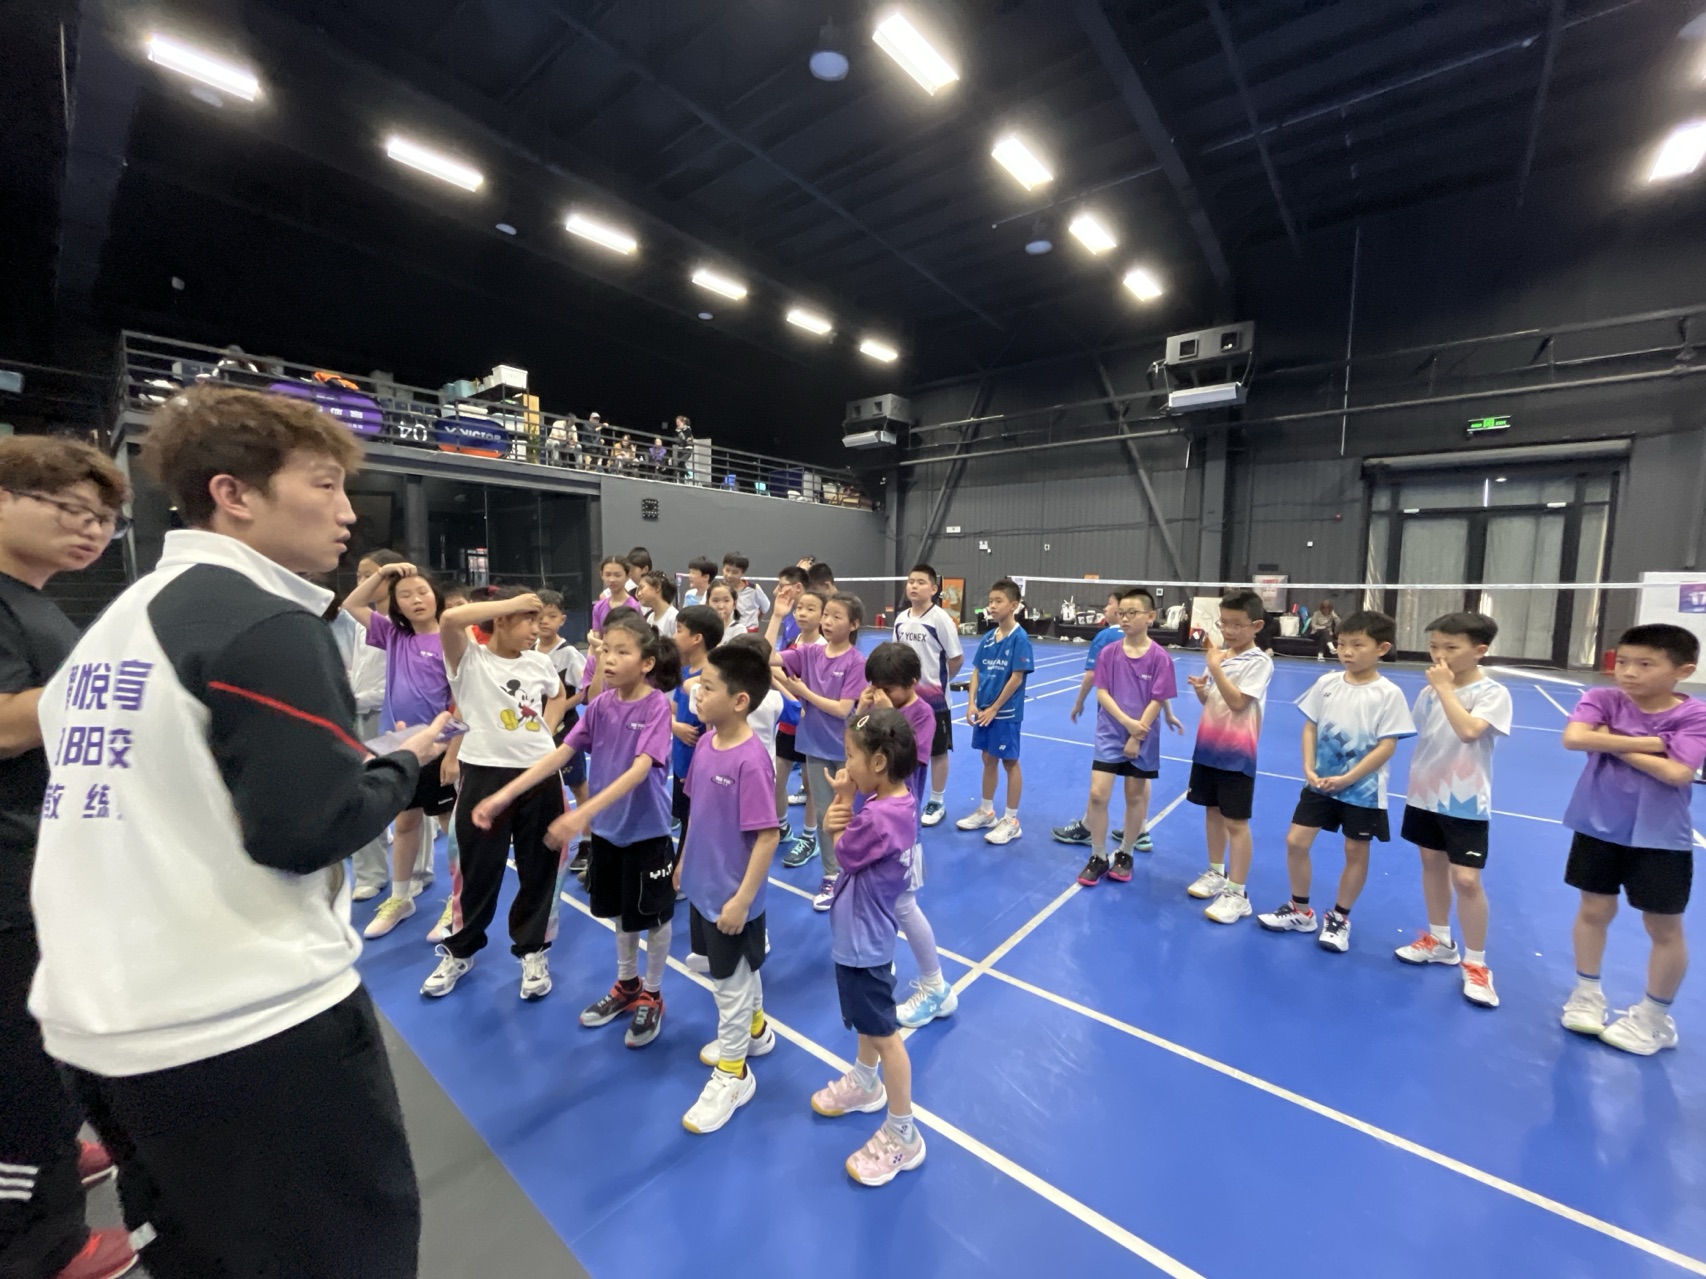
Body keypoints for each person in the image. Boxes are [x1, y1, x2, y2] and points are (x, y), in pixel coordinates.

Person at [30, 385, 447, 1277]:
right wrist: (405, 763)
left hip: (105, 1023)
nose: (348, 512)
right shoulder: (263, 623)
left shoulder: (117, 623)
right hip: (244, 1025)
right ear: (234, 494)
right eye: (326, 484)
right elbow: (307, 829)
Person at [0, 438, 134, 1279]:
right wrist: (114, 684)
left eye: (103, 518)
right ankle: (38, 1243)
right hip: (6, 871)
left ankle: (50, 1151)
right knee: (15, 1059)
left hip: (41, 858)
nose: (90, 528)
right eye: (69, 508)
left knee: (43, 1040)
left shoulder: (34, 602)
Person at [477, 611, 681, 1046]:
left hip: (646, 833)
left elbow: (639, 770)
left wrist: (581, 812)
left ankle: (653, 992)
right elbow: (560, 753)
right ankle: (627, 984)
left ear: (646, 662)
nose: (609, 659)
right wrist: (504, 795)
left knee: (653, 917)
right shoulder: (601, 705)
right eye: (606, 650)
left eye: (622, 652)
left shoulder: (656, 706)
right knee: (621, 913)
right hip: (608, 832)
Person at [1558, 623, 1706, 1054]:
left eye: (1645, 664)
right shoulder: (1602, 698)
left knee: (1663, 926)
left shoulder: (1694, 715)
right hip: (1597, 824)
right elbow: (1574, 738)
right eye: (1623, 662)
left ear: (1683, 670)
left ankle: (1655, 1018)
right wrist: (1658, 744)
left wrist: (1610, 740)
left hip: (1661, 836)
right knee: (1594, 910)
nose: (1629, 672)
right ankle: (1587, 993)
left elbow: (1678, 773)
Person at [420, 589, 569, 1001]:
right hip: (483, 774)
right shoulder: (470, 659)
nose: (536, 629)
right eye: (528, 619)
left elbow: (557, 695)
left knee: (540, 866)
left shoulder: (539, 662)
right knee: (475, 868)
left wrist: (546, 730)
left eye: (538, 620)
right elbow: (450, 619)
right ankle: (460, 950)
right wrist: (512, 603)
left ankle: (533, 951)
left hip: (539, 775)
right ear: (501, 619)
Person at [809, 709, 926, 1187]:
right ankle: (864, 1081)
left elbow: (843, 853)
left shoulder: (877, 817)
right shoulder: (897, 800)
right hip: (865, 936)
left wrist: (839, 810)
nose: (846, 765)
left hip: (864, 942)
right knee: (867, 1021)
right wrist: (849, 796)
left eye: (850, 756)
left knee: (885, 1035)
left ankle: (903, 1132)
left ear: (878, 762)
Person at [1258, 610, 1415, 953]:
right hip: (1320, 782)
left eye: (1357, 645)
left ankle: (1340, 918)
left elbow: (1387, 746)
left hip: (1362, 790)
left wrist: (1348, 778)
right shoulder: (1327, 683)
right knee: (1296, 842)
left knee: (1355, 851)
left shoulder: (1388, 694)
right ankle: (1301, 911)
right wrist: (1308, 768)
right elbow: (1310, 727)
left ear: (1382, 648)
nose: (1347, 651)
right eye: (1342, 644)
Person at [674, 644, 781, 1133]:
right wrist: (683, 862)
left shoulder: (751, 761)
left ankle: (734, 1075)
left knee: (730, 988)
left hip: (731, 898)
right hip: (702, 885)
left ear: (739, 701)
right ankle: (755, 1033)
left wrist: (742, 900)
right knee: (735, 974)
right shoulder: (705, 745)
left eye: (708, 686)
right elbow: (696, 813)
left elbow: (767, 836)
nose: (696, 693)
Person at [1394, 613, 1513, 1007]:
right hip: (1424, 791)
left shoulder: (1492, 692)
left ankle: (1476, 964)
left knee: (1466, 879)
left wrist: (1445, 689)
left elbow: (1468, 731)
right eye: (1434, 647)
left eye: (1450, 647)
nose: (1439, 655)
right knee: (1431, 863)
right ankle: (1440, 940)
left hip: (1465, 799)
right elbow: (1413, 732)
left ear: (1479, 650)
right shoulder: (1429, 693)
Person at [345, 559, 456, 937]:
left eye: (422, 592)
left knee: (450, 827)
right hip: (399, 747)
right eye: (406, 595)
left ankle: (459, 900)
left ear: (436, 596)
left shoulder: (452, 640)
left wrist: (452, 752)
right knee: (406, 823)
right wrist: (382, 574)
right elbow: (353, 604)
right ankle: (400, 896)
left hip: (437, 749)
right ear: (396, 605)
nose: (416, 599)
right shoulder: (393, 635)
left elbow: (463, 700)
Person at [861, 643, 956, 1030]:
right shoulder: (877, 706)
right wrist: (861, 712)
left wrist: (882, 715)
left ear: (912, 683)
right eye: (875, 686)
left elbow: (898, 765)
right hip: (869, 817)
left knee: (903, 905)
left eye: (887, 688)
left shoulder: (922, 715)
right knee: (876, 900)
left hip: (899, 827)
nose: (879, 694)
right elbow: (856, 748)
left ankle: (936, 987)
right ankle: (882, 960)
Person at [1075, 588, 1179, 887]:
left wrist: (1137, 733)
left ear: (1150, 616)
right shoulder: (1109, 653)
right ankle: (1098, 855)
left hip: (1144, 737)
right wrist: (1126, 723)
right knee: (1098, 795)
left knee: (1134, 796)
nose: (1125, 619)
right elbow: (1103, 692)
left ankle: (1126, 852)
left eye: (1132, 613)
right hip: (1110, 732)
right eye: (1121, 613)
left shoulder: (1160, 658)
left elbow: (1157, 699)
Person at [1185, 591, 1275, 925]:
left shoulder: (1259, 662)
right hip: (1208, 747)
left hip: (1237, 753)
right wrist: (1202, 691)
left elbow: (1238, 702)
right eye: (1224, 623)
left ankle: (1238, 893)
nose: (1229, 630)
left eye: (1238, 624)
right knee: (1212, 811)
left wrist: (1215, 668)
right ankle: (1216, 872)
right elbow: (1217, 700)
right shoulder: (1221, 657)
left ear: (1257, 625)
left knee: (1236, 822)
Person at [774, 592, 867, 911]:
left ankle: (857, 871)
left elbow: (842, 710)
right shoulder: (809, 652)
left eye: (836, 617)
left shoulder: (856, 662)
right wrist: (777, 616)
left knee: (853, 815)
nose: (827, 621)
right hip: (814, 747)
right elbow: (767, 658)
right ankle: (831, 875)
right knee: (827, 815)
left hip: (848, 752)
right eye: (826, 615)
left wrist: (803, 692)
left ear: (854, 624)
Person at [343, 549, 404, 903]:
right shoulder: (359, 624)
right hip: (362, 716)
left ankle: (415, 873)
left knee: (408, 798)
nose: (362, 582)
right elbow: (362, 672)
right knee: (360, 792)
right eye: (359, 575)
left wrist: (356, 698)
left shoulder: (403, 626)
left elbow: (395, 682)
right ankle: (371, 873)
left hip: (394, 716)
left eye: (371, 575)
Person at [1053, 591, 1134, 849]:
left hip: (1112, 720)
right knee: (1138, 778)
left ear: (1120, 610)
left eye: (1109, 604)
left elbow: (1091, 675)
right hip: (1141, 720)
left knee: (1101, 777)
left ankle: (1088, 827)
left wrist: (1079, 702)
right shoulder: (1144, 640)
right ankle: (1139, 829)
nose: (1106, 609)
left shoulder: (1106, 636)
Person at [956, 579, 1033, 846]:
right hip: (984, 711)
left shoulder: (1020, 639)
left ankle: (1011, 821)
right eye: (990, 601)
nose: (992, 606)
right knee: (988, 758)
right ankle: (987, 812)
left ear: (1014, 605)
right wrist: (971, 703)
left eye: (998, 601)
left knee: (1010, 762)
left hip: (1005, 713)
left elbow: (1016, 678)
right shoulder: (989, 638)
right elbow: (977, 671)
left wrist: (995, 708)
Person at [891, 563, 964, 829]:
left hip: (935, 702)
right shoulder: (901, 619)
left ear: (933, 589)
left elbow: (956, 658)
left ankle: (936, 800)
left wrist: (939, 684)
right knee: (903, 747)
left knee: (937, 751)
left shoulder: (940, 619)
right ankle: (902, 793)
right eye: (911, 581)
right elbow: (895, 655)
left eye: (921, 582)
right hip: (904, 699)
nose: (914, 586)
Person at [535, 589, 592, 874]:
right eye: (538, 616)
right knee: (541, 785)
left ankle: (587, 841)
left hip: (564, 728)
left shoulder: (568, 653)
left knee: (577, 784)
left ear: (562, 619)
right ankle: (547, 839)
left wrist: (557, 709)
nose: (544, 621)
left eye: (551, 616)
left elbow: (583, 692)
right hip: (536, 729)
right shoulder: (530, 650)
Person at [769, 587, 826, 868]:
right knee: (777, 780)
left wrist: (790, 687)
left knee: (811, 784)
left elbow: (813, 690)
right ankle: (781, 826)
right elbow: (769, 665)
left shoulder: (823, 649)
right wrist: (791, 696)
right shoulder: (792, 641)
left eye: (810, 609)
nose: (802, 613)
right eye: (799, 608)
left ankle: (809, 837)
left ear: (823, 616)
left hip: (813, 726)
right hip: (789, 723)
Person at [670, 605, 724, 861]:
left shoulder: (712, 678)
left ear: (697, 638)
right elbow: (672, 710)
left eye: (679, 630)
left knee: (697, 823)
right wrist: (675, 726)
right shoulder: (684, 672)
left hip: (698, 767)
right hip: (681, 761)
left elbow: (716, 728)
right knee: (684, 818)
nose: (674, 636)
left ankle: (684, 870)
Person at [721, 553, 769, 634]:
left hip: (748, 633)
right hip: (726, 632)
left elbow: (765, 608)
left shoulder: (754, 589)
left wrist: (753, 622)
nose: (729, 575)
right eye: (727, 570)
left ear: (743, 573)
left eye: (735, 572)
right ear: (723, 568)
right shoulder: (718, 589)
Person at [591, 554, 634, 631]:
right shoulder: (598, 607)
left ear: (628, 575)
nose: (612, 580)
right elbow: (596, 633)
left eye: (617, 575)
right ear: (601, 575)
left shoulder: (634, 606)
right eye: (608, 575)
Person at [638, 571, 679, 638]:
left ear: (657, 587)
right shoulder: (650, 617)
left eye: (641, 588)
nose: (639, 594)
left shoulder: (674, 618)